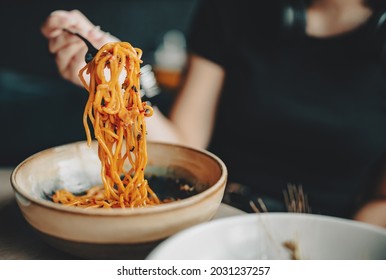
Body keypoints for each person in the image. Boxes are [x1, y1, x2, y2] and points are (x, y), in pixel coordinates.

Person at [41, 0, 386, 227]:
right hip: (214, 213)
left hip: (331, 231)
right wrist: (116, 83)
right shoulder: (231, 9)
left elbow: (380, 205)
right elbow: (186, 146)